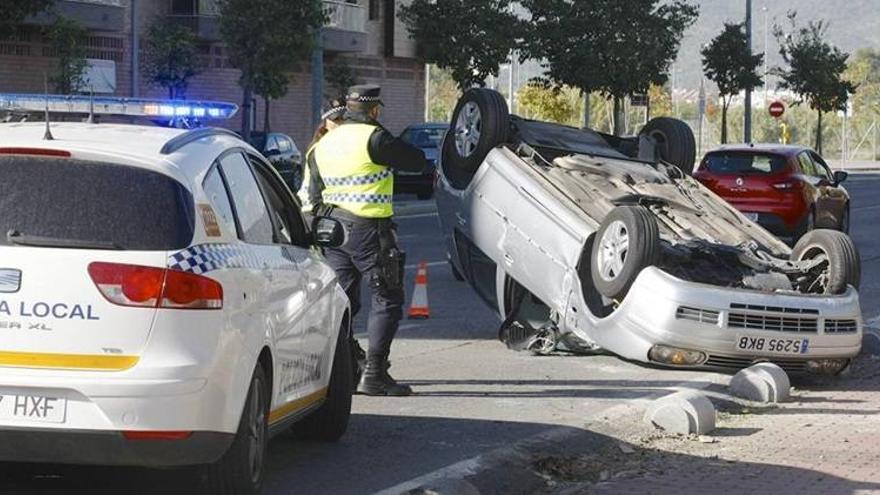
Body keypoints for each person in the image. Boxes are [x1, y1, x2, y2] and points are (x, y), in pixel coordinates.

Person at [309, 84, 425, 396]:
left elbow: (314, 192)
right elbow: (415, 160)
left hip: (332, 231)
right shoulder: (374, 137)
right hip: (368, 228)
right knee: (387, 297)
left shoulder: (324, 143)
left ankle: (343, 368)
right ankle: (374, 372)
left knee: (343, 302)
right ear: (374, 110)